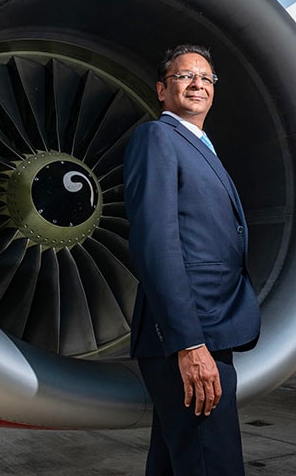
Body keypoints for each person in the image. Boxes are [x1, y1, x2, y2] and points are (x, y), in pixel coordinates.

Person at [123, 44, 261, 475]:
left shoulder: (199, 145)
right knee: (211, 464)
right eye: (185, 76)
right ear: (162, 90)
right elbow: (156, 243)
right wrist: (189, 343)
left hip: (206, 332)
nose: (198, 83)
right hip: (191, 336)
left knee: (177, 460)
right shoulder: (158, 137)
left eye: (206, 77)